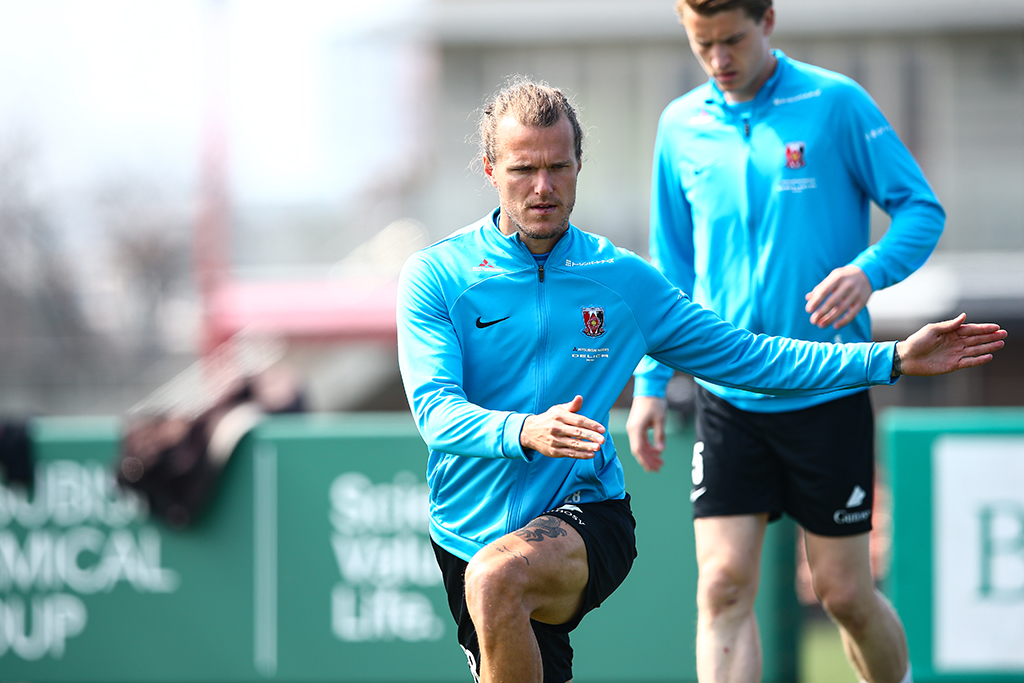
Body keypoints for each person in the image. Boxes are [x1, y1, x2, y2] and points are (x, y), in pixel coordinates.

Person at [396, 77, 1003, 683]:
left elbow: (750, 356)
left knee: (498, 579)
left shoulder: (622, 279)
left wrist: (890, 358)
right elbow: (435, 412)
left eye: (558, 167)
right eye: (524, 169)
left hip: (583, 512)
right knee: (496, 592)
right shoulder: (437, 275)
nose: (543, 187)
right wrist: (525, 430)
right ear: (490, 170)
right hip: (466, 530)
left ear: (580, 164)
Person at [627, 2, 948, 683]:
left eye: (732, 39)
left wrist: (869, 270)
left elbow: (920, 208)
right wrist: (651, 383)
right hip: (726, 397)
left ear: (767, 20)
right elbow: (669, 269)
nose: (719, 59)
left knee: (844, 595)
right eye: (703, 43)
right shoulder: (679, 125)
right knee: (722, 585)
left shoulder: (834, 103)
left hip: (827, 388)